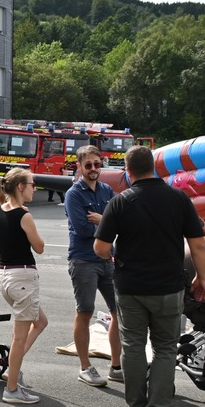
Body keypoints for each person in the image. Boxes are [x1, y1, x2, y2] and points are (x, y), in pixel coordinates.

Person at [95, 145, 205, 407]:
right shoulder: (178, 199)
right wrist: (202, 278)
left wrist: (115, 256)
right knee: (165, 348)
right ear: (154, 167)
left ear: (128, 172)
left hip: (130, 285)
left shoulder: (120, 202)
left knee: (132, 346)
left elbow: (100, 247)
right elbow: (197, 244)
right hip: (168, 287)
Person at [64, 145, 123, 388]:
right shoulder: (74, 195)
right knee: (85, 312)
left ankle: (116, 367)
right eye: (88, 165)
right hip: (83, 260)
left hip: (107, 260)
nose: (93, 169)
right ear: (79, 166)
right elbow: (83, 229)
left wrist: (105, 222)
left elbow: (120, 224)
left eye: (97, 164)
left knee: (120, 311)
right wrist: (108, 223)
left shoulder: (107, 190)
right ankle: (85, 367)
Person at [0, 168, 49, 404]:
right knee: (19, 336)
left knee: (41, 322)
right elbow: (39, 247)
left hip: (6, 278)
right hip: (23, 278)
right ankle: (12, 388)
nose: (34, 188)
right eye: (32, 184)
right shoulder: (24, 216)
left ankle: (11, 369)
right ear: (20, 187)